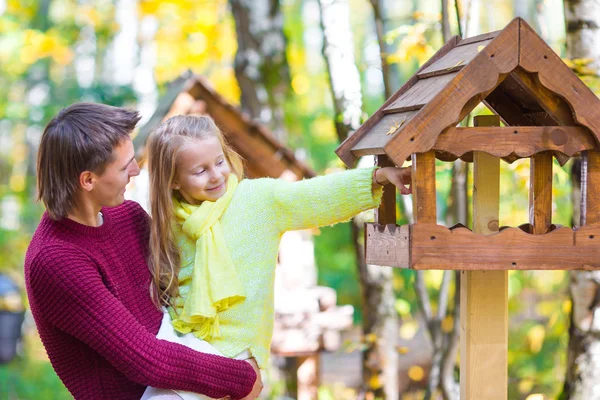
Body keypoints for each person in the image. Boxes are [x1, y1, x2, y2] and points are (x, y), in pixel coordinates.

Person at [144, 115, 412, 399]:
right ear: (173, 181)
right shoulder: (168, 221)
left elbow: (313, 196)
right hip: (181, 347)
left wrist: (376, 178)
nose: (216, 175)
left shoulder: (257, 200)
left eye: (219, 162)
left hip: (236, 352)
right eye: (200, 171)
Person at [24, 103, 261, 400]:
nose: (136, 170)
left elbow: (183, 282)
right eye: (125, 167)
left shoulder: (128, 216)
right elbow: (145, 359)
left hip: (185, 378)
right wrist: (241, 378)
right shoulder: (56, 261)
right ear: (88, 180)